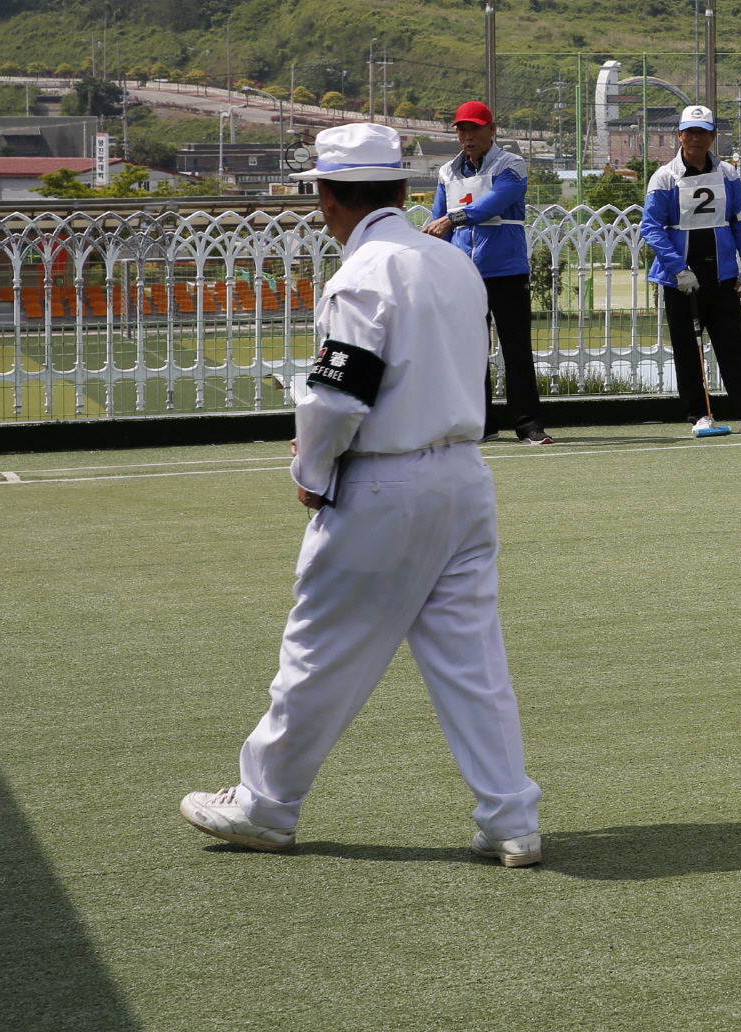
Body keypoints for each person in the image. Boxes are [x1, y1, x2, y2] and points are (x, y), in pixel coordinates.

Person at [178, 123, 544, 865]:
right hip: (464, 478)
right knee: (473, 662)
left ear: (326, 199)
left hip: (386, 481)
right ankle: (511, 819)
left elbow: (337, 398)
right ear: (404, 192)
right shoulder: (452, 264)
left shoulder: (362, 276)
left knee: (318, 649)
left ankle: (266, 803)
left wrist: (310, 475)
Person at [641, 105, 741, 435]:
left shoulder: (728, 174)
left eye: (702, 132)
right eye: (689, 132)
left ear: (713, 136)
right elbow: (651, 227)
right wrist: (678, 269)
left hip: (722, 274)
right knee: (688, 349)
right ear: (679, 135)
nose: (695, 138)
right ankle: (699, 414)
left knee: (734, 345)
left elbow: (738, 219)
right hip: (680, 279)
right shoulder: (664, 177)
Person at [423, 100, 550, 445]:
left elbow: (493, 202)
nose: (468, 136)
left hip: (507, 271)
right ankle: (481, 425)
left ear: (492, 130)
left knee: (517, 350)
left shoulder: (513, 165)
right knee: (469, 351)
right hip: (463, 274)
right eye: (462, 130)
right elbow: (437, 221)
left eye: (475, 129)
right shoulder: (448, 171)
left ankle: (528, 425)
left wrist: (454, 218)